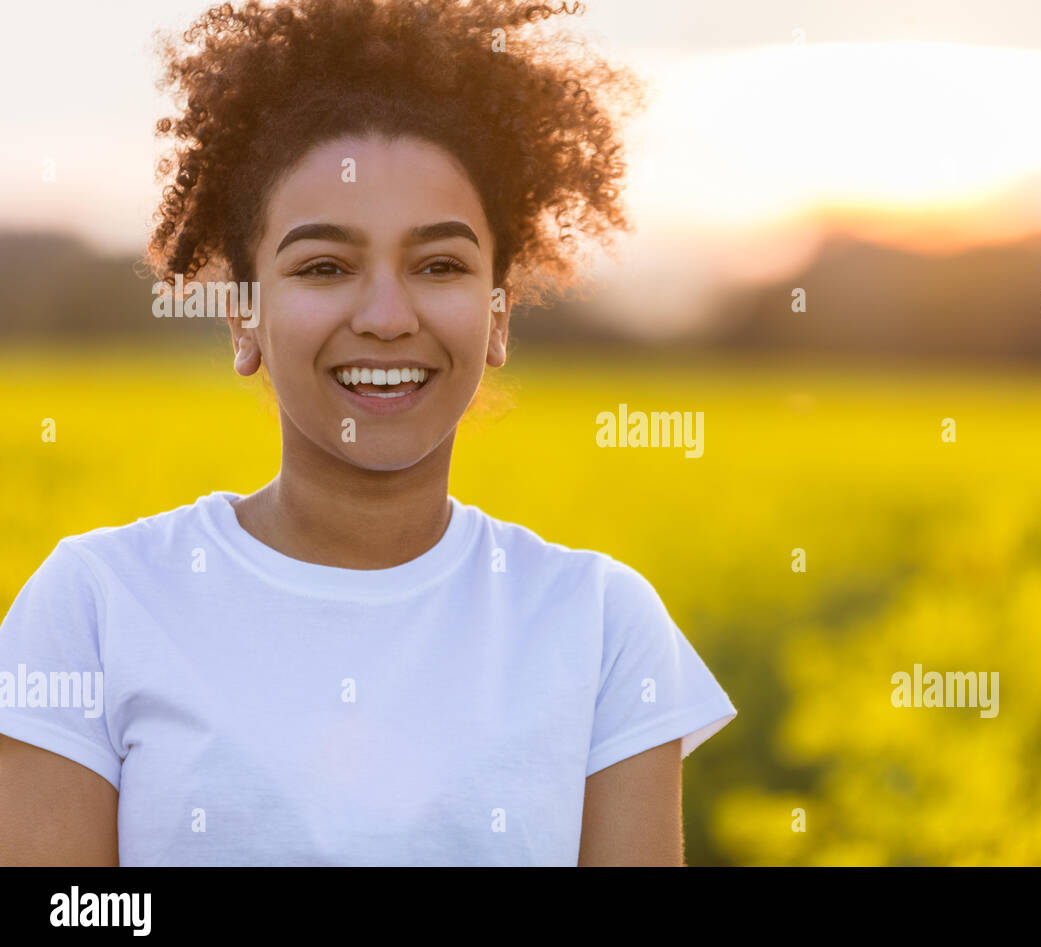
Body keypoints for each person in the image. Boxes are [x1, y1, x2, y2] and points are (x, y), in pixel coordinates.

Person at [0, 0, 736, 866]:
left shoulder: (604, 625)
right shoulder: (91, 608)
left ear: (498, 315)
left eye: (439, 266)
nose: (387, 316)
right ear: (242, 314)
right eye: (324, 266)